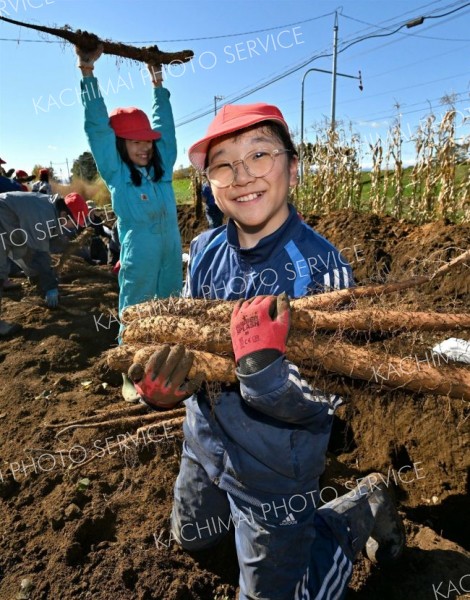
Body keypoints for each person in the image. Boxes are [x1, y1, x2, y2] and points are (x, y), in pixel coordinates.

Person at [128, 103, 405, 599]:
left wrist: (263, 373)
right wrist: (162, 391)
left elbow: (334, 397)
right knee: (190, 540)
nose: (242, 176)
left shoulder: (325, 272)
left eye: (259, 155)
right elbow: (191, 352)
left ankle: (359, 509)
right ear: (210, 183)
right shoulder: (206, 250)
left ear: (293, 169)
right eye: (224, 165)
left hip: (275, 470)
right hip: (205, 443)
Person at [74, 44, 183, 319]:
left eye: (147, 140)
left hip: (171, 256)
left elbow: (165, 125)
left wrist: (157, 80)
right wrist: (87, 71)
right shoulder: (118, 174)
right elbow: (98, 129)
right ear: (120, 145)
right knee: (136, 315)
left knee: (171, 314)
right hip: (141, 260)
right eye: (136, 141)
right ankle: (129, 358)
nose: (145, 147)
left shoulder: (163, 169)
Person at [0, 191, 86, 336]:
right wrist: (51, 286)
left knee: (22, 251)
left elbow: (53, 240)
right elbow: (39, 254)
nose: (74, 227)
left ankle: (38, 284)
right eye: (75, 223)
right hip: (2, 220)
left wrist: (72, 246)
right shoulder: (42, 215)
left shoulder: (51, 210)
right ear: (65, 215)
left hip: (8, 221)